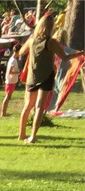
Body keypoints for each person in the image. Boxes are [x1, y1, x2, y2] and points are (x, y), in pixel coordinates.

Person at [18, 13, 79, 142]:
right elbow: (65, 57)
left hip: (32, 76)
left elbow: (21, 52)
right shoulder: (51, 42)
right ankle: (33, 136)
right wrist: (81, 53)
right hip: (46, 76)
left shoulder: (32, 39)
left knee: (28, 105)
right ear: (51, 27)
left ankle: (21, 134)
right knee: (40, 106)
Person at [0, 46, 21, 117]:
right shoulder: (13, 60)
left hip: (12, 81)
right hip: (10, 81)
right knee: (7, 97)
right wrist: (18, 72)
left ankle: (4, 112)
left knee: (8, 97)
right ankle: (3, 113)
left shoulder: (12, 59)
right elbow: (10, 71)